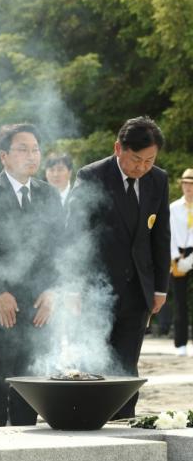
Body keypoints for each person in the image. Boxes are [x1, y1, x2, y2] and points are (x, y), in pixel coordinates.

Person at [66, 116, 170, 419]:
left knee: (127, 366)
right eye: (136, 159)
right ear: (118, 148)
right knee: (93, 363)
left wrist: (160, 287)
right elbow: (75, 234)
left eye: (149, 160)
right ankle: (87, 421)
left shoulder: (158, 179)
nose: (141, 167)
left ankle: (123, 424)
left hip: (139, 290)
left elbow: (160, 235)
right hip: (95, 290)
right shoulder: (92, 176)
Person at [0, 124, 63, 427]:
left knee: (31, 385)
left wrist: (53, 290)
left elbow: (60, 249)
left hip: (38, 307)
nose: (31, 155)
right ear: (4, 156)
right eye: (23, 149)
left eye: (35, 149)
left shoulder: (49, 195)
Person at [168, 169, 193, 356]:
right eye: (186, 184)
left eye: (192, 184)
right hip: (179, 255)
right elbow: (169, 234)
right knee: (179, 301)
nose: (189, 188)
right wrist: (176, 257)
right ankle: (180, 344)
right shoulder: (174, 207)